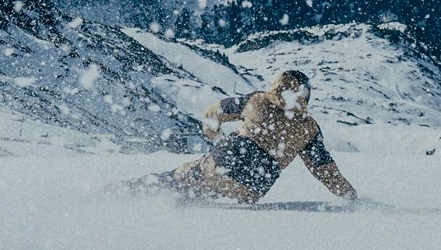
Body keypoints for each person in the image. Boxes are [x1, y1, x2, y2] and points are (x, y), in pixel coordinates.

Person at [132, 70, 357, 205]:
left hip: (224, 161)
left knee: (178, 177)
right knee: (214, 191)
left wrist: (216, 138)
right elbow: (324, 169)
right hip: (255, 185)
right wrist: (347, 193)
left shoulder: (255, 100)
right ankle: (182, 200)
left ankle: (124, 194)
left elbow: (212, 113)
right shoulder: (309, 127)